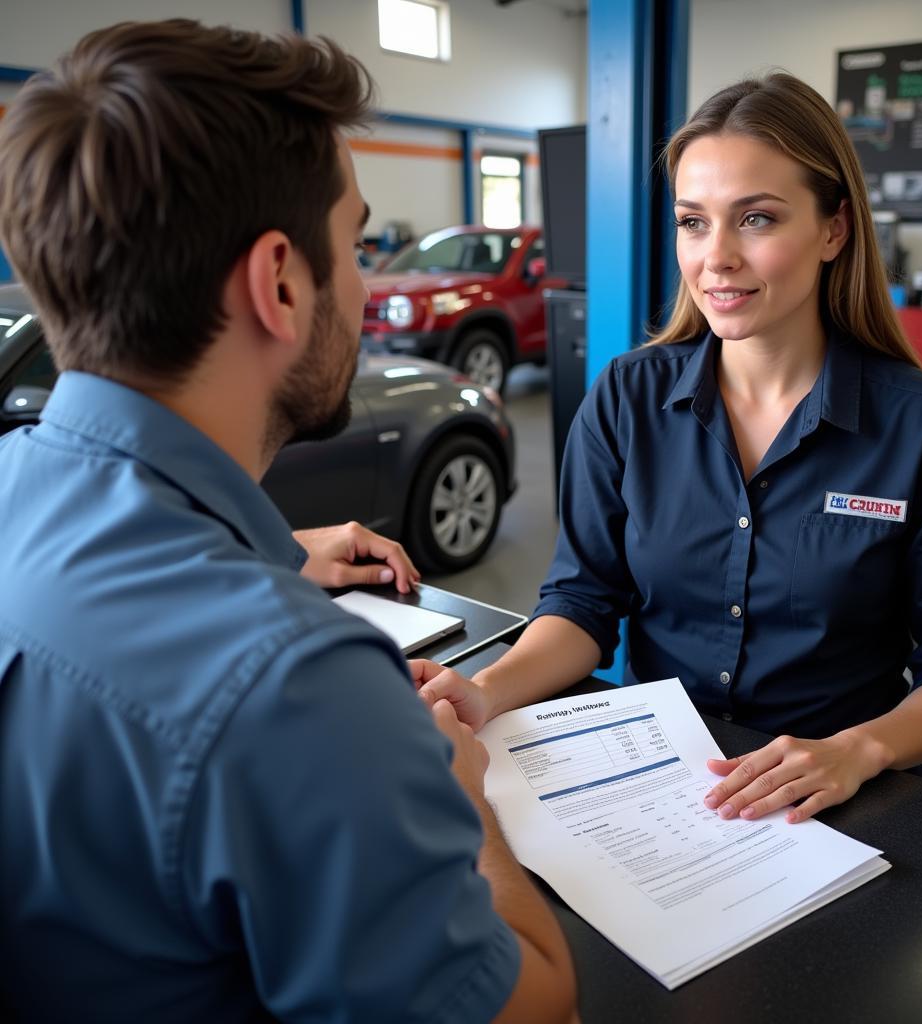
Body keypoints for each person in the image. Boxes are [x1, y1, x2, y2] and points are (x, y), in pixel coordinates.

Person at [0, 20, 575, 1023]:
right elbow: (539, 1008)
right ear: (278, 281)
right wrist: (459, 791)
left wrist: (266, 559)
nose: (363, 284)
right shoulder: (299, 689)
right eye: (353, 245)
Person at [414, 73, 922, 826]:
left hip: (842, 801)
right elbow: (583, 600)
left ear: (834, 230)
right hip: (659, 789)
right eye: (693, 222)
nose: (716, 257)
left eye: (756, 219)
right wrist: (488, 690)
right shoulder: (627, 398)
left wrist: (859, 749)